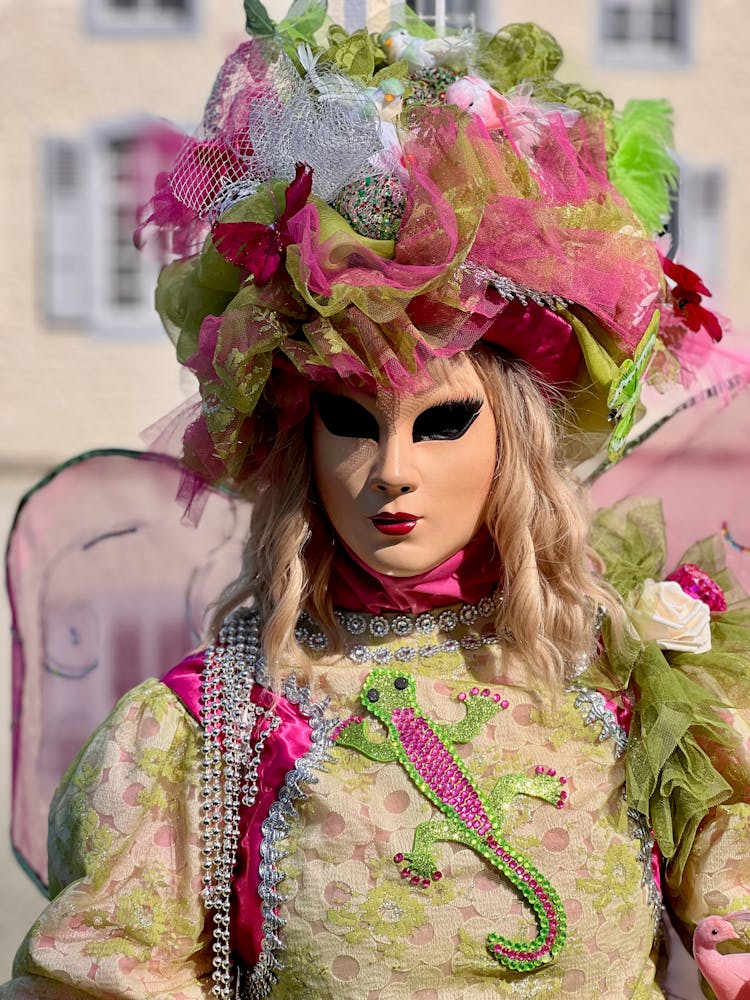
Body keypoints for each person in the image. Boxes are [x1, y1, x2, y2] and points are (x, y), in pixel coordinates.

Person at [2, 6, 749, 999]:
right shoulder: (215, 725)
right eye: (352, 421)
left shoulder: (635, 685)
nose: (391, 470)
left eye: (439, 424)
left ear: (512, 445)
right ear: (301, 444)